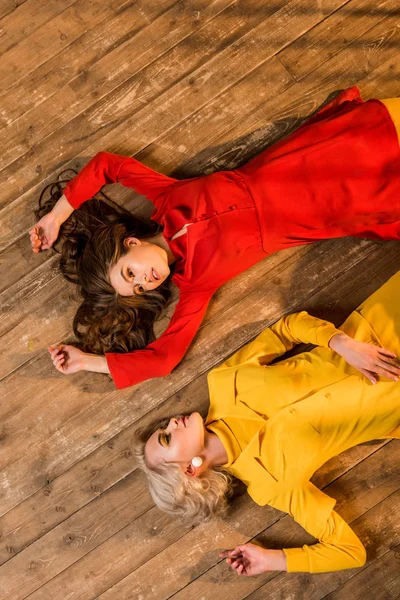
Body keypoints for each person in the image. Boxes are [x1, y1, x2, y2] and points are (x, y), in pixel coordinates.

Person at [29, 87, 400, 389]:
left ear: (129, 244)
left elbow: (107, 164)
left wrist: (56, 216)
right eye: (139, 289)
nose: (145, 281)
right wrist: (87, 362)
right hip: (344, 204)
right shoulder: (196, 283)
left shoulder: (167, 197)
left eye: (130, 274)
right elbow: (164, 359)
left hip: (320, 155)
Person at [135, 271, 400, 574]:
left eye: (162, 428)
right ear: (190, 470)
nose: (170, 423)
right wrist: (274, 560)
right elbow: (350, 552)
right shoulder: (271, 485)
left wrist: (339, 342)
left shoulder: (224, 381)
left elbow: (286, 329)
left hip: (384, 316)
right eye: (167, 438)